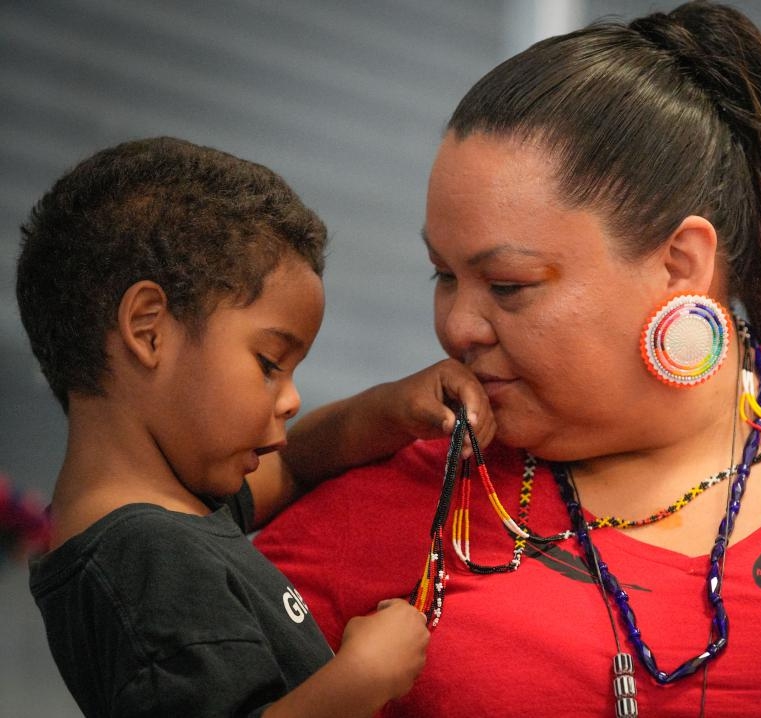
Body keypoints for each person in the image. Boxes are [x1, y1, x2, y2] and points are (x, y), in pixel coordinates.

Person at [254, 2, 761, 716]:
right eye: (443, 274)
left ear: (681, 266)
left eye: (510, 285)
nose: (458, 325)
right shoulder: (391, 510)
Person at [16, 136, 495, 718]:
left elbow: (292, 464)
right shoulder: (146, 557)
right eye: (269, 363)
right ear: (148, 330)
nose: (291, 399)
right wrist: (362, 680)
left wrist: (392, 408)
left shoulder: (172, 509)